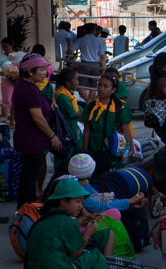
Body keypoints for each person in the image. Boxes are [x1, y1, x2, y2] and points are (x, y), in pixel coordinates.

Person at [25, 175, 137, 269]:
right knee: (95, 256)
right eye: (77, 202)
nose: (80, 206)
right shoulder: (66, 221)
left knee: (96, 251)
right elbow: (76, 252)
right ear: (63, 201)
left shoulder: (51, 217)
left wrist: (81, 222)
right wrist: (88, 233)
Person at [12, 53, 61, 208]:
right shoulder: (29, 90)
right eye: (40, 70)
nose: (45, 73)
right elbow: (38, 118)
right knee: (30, 179)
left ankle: (24, 210)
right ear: (30, 71)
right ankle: (27, 212)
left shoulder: (27, 87)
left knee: (28, 177)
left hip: (30, 140)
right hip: (31, 141)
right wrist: (52, 135)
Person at [81, 72, 134, 176]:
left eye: (106, 86)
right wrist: (85, 151)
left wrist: (131, 147)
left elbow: (125, 129)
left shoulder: (120, 107)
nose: (101, 89)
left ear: (113, 90)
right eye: (99, 85)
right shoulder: (91, 107)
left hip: (114, 151)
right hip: (95, 150)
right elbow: (87, 130)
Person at [54, 68, 83, 174]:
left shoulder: (68, 93)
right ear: (67, 82)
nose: (78, 82)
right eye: (76, 79)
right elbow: (75, 113)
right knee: (66, 160)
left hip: (71, 130)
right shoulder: (62, 96)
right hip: (67, 132)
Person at [73, 23, 106, 101]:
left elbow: (71, 50)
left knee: (82, 86)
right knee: (93, 87)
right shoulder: (98, 40)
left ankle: (87, 101)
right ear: (94, 30)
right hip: (95, 65)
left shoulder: (81, 39)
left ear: (85, 30)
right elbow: (102, 56)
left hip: (84, 64)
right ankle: (90, 103)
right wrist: (103, 68)